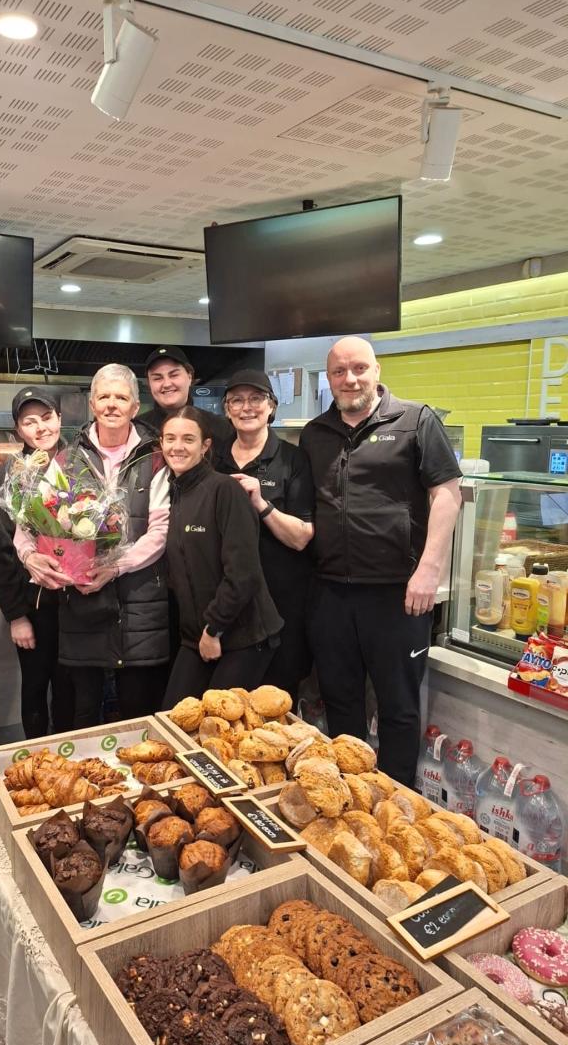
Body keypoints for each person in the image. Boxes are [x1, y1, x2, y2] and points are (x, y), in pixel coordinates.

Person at [301, 335, 461, 787]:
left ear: (377, 371)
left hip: (399, 593)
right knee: (340, 702)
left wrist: (429, 569)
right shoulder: (315, 434)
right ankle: (351, 800)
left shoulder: (415, 421)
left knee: (398, 708)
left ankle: (398, 805)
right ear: (329, 378)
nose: (350, 379)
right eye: (339, 371)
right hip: (330, 593)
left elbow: (447, 495)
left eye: (359, 369)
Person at [17, 363, 170, 726]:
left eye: (121, 397)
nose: (112, 404)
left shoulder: (157, 457)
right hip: (83, 609)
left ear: (135, 407)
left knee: (138, 716)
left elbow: (161, 531)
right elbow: (28, 525)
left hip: (139, 608)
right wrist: (31, 557)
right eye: (104, 396)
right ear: (92, 404)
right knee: (84, 714)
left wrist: (116, 566)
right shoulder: (66, 460)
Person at [160, 406, 283, 705]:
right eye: (170, 438)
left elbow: (243, 573)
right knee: (172, 721)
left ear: (205, 446)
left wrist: (214, 628)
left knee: (219, 731)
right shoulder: (174, 491)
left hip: (242, 635)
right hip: (197, 635)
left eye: (188, 439)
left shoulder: (224, 490)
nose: (177, 447)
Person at [0, 386, 75, 739]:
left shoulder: (81, 466)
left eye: (47, 418)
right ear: (18, 430)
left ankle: (73, 761)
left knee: (73, 689)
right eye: (29, 422)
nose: (41, 428)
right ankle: (39, 763)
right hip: (34, 606)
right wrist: (17, 617)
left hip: (80, 601)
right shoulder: (8, 478)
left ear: (60, 419)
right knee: (36, 687)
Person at [216, 369, 315, 702]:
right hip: (226, 607)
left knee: (276, 705)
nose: (247, 407)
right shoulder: (212, 457)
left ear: (271, 406)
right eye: (237, 400)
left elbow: (302, 537)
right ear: (226, 409)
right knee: (225, 707)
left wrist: (261, 504)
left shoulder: (293, 460)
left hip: (280, 606)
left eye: (256, 399)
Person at [136, 345, 233, 452]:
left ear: (190, 377)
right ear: (149, 384)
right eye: (157, 378)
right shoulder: (137, 429)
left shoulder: (219, 427)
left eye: (174, 375)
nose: (167, 384)